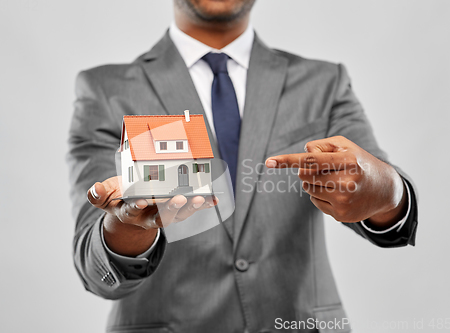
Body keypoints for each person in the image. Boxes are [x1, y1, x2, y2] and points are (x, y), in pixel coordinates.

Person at [67, 0, 418, 332]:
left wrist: (386, 190)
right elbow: (94, 264)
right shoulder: (105, 90)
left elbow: (379, 188)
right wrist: (127, 226)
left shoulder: (325, 83)